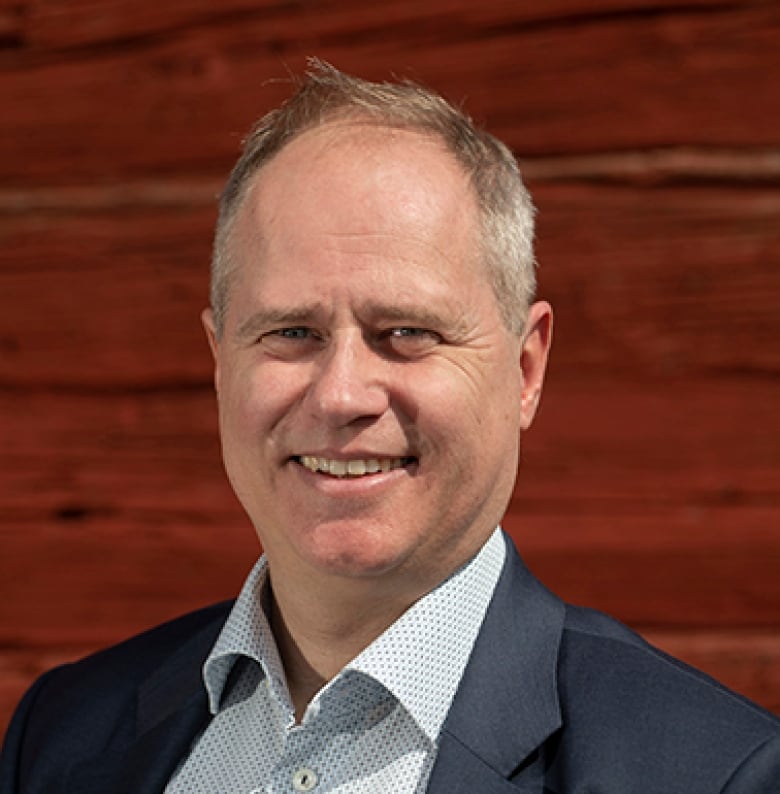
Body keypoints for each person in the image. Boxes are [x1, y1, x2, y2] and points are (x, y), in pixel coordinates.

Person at [1, 61, 778, 794]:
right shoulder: (63, 734)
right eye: (291, 334)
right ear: (219, 361)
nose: (341, 395)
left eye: (406, 332)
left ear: (525, 369)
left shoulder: (713, 773)